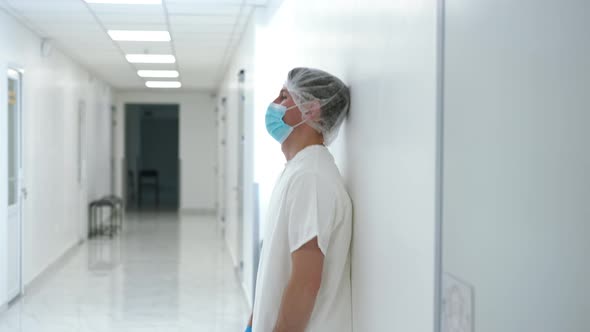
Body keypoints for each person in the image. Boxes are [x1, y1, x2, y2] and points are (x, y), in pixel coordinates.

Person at [246, 67, 353, 332]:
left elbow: (306, 282)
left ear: (311, 110)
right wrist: (253, 321)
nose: (273, 104)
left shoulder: (312, 178)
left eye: (284, 96)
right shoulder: (298, 170)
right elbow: (277, 266)